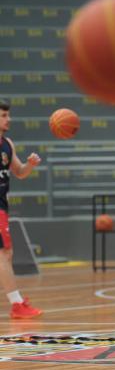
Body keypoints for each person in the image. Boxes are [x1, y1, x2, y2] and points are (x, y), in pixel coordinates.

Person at [0, 99, 42, 319]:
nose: (8, 119)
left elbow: (19, 172)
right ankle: (17, 304)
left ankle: (17, 302)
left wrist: (30, 165)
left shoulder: (7, 143)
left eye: (8, 115)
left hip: (2, 205)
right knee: (4, 254)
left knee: (7, 253)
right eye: (3, 115)